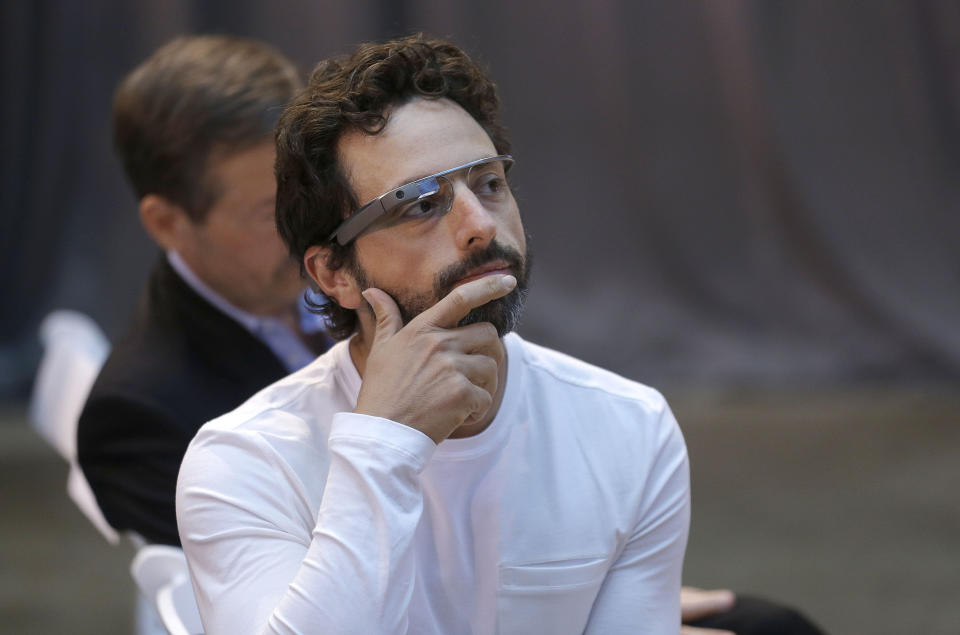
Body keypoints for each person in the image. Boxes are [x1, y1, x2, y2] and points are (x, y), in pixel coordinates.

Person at [176, 35, 690, 633]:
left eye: (490, 183)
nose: (478, 224)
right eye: (420, 203)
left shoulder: (630, 427)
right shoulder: (246, 459)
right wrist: (383, 444)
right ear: (333, 272)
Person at [76, 35, 330, 547]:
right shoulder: (141, 420)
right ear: (167, 223)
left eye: (315, 189)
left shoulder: (341, 266)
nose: (314, 227)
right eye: (271, 212)